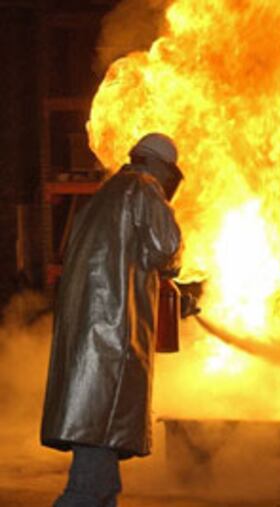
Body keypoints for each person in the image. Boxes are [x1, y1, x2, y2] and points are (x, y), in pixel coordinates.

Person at [40, 133, 184, 507]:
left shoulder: (103, 195)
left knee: (103, 487)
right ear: (161, 167)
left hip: (88, 348)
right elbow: (166, 250)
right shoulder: (144, 189)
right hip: (112, 346)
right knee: (88, 490)